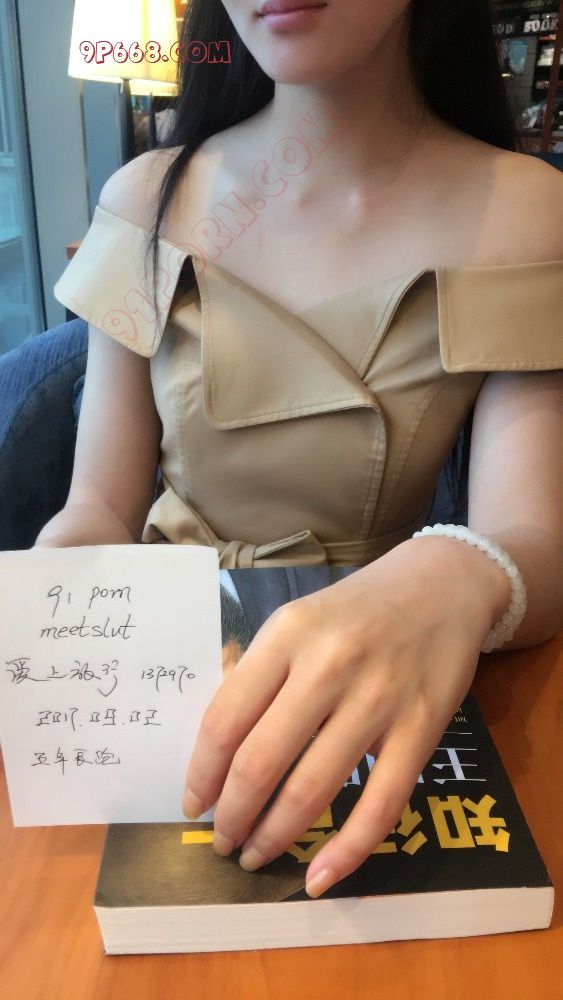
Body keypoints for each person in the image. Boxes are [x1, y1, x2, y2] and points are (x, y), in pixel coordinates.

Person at [38, 0, 562, 899]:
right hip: (162, 678)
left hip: (383, 673)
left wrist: (456, 573)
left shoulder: (524, 213)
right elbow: (98, 506)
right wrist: (55, 595)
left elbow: (534, 543)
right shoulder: (145, 198)